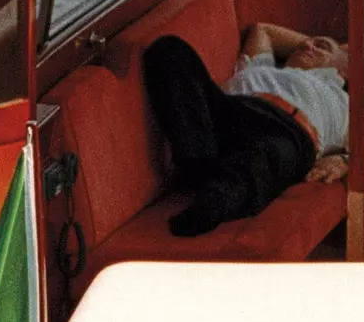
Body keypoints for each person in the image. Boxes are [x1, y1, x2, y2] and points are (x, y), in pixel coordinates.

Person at [142, 22, 349, 237]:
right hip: (229, 112)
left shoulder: (344, 103)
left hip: (288, 130)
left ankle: (214, 202)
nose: (307, 44)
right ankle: (196, 163)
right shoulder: (262, 65)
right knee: (170, 50)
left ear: (343, 71)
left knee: (268, 155)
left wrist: (344, 161)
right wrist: (316, 47)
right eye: (305, 43)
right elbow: (263, 30)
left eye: (321, 46)